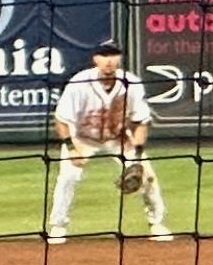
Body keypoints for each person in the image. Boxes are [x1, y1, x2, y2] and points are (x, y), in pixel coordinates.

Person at [48, 44, 172, 243]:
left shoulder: (131, 82)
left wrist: (137, 156)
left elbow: (141, 121)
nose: (109, 60)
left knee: (147, 176)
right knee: (68, 176)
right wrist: (71, 147)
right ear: (95, 60)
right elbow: (61, 119)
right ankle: (58, 226)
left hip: (118, 137)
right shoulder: (79, 82)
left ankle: (157, 223)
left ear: (119, 59)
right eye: (104, 55)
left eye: (113, 55)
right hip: (82, 137)